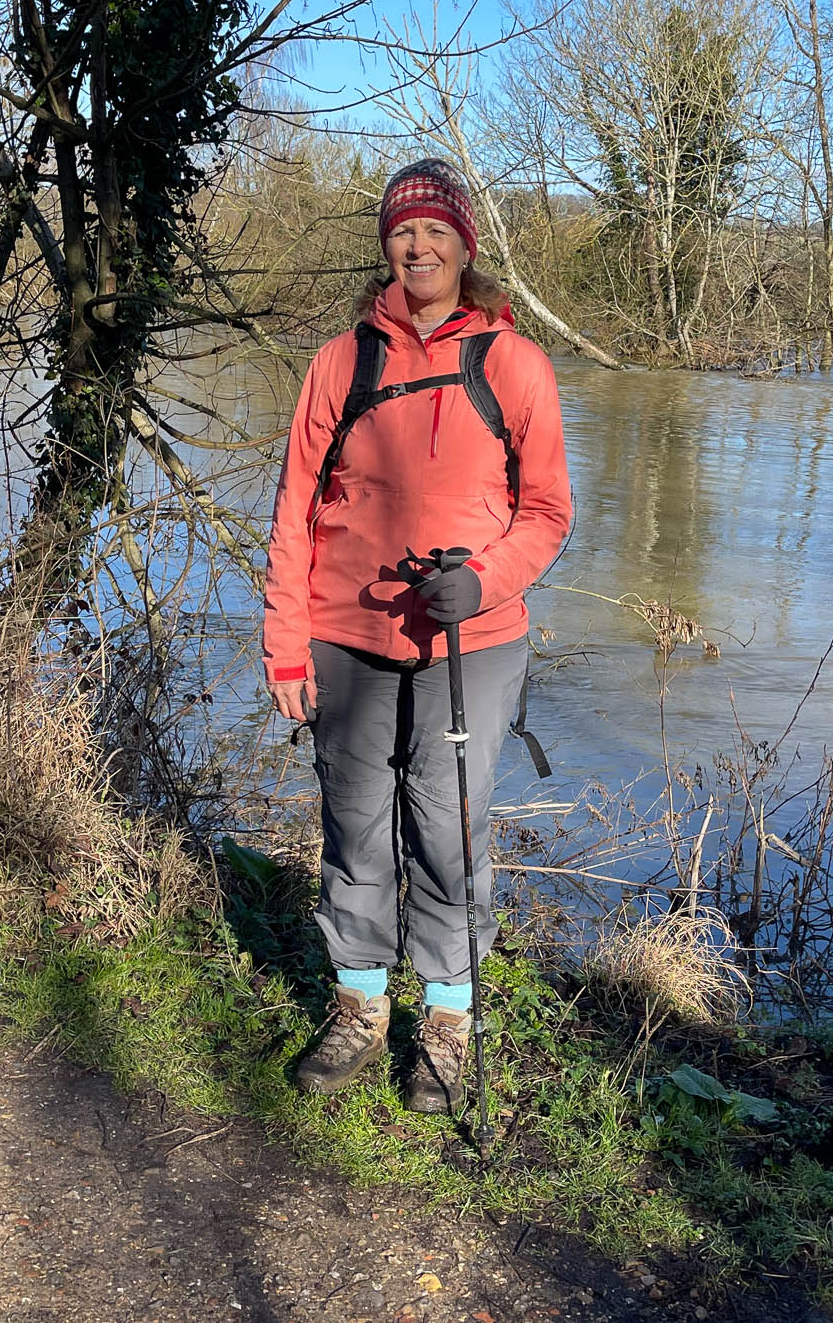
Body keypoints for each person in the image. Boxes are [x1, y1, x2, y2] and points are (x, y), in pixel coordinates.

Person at [262, 158, 572, 1113]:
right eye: (403, 231)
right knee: (354, 826)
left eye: (436, 229)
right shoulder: (340, 361)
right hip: (345, 635)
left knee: (448, 830)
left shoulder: (514, 363)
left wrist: (481, 581)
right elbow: (294, 508)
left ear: (464, 245)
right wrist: (284, 644)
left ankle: (446, 1021)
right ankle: (359, 1004)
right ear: (385, 246)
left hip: (471, 646)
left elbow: (548, 512)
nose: (419, 246)